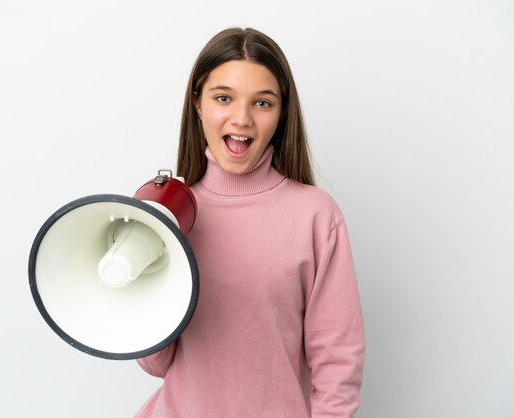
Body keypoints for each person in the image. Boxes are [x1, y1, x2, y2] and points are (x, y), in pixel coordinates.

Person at [136, 27, 364, 418]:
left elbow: (338, 364)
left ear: (282, 113)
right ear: (197, 104)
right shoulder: (170, 216)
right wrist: (144, 267)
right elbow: (156, 364)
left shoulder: (316, 216)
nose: (241, 119)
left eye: (262, 103)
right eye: (223, 98)